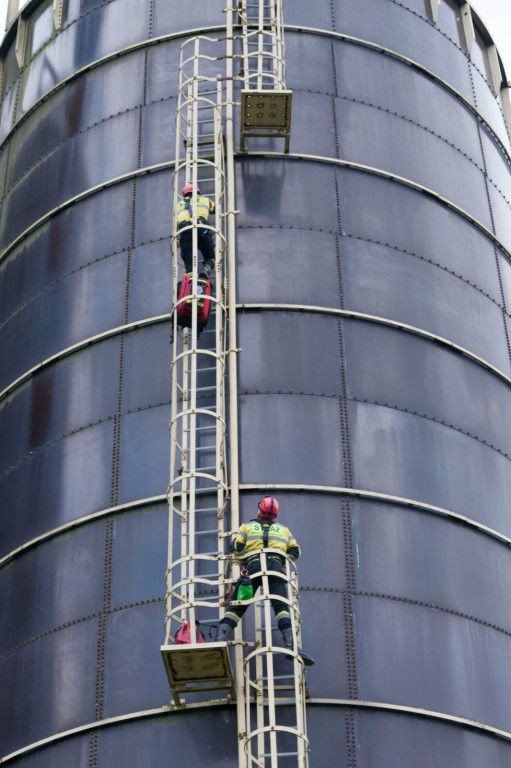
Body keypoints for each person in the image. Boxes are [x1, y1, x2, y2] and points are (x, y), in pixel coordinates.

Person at [217, 496, 314, 665]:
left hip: (252, 571)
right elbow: (295, 552)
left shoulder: (247, 527)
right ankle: (292, 646)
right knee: (281, 607)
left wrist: (243, 557)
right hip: (275, 570)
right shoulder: (284, 530)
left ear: (259, 510)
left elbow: (236, 547)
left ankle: (220, 639)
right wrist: (280, 559)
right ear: (275, 515)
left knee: (237, 605)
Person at [176, 183, 216, 280]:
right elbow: (214, 209)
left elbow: (176, 221)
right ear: (198, 192)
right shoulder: (205, 200)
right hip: (201, 229)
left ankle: (191, 278)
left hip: (184, 232)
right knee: (211, 258)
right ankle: (205, 270)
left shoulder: (178, 205)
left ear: (184, 194)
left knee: (188, 262)